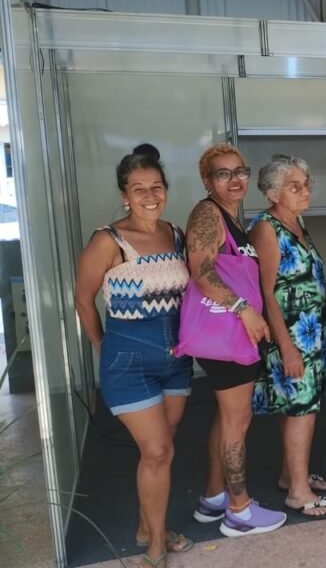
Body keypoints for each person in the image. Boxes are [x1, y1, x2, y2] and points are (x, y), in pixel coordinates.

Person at [74, 145, 194, 568]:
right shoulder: (108, 240)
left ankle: (148, 526)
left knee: (161, 450)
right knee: (157, 451)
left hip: (176, 361)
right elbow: (83, 299)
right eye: (138, 188)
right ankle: (155, 545)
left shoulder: (175, 234)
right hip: (128, 362)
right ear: (124, 195)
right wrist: (102, 346)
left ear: (166, 189)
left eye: (156, 186)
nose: (149, 195)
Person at [187, 143, 286, 537]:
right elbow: (201, 272)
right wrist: (245, 309)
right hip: (227, 335)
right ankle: (240, 512)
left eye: (240, 171)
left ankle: (214, 498)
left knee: (228, 416)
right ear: (207, 180)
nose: (235, 180)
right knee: (236, 419)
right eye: (223, 173)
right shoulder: (208, 213)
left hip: (233, 336)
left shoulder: (231, 217)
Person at [247, 155, 326, 519]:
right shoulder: (266, 228)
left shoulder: (296, 222)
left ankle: (291, 475)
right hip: (291, 336)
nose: (305, 190)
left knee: (297, 408)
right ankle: (299, 492)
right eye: (294, 186)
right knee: (302, 411)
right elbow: (266, 293)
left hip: (310, 333)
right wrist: (286, 347)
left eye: (306, 183)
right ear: (273, 193)